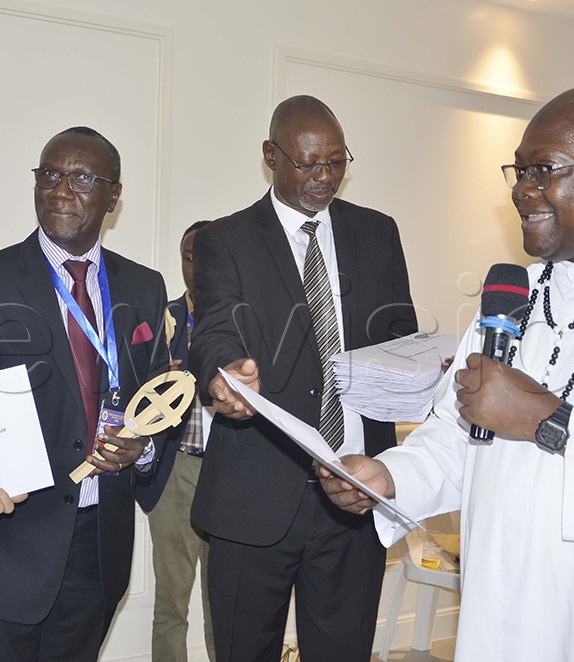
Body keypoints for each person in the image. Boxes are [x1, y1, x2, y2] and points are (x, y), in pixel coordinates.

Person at [320, 86, 574, 661]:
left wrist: (550, 422)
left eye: (545, 169)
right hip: (501, 617)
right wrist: (389, 479)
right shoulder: (516, 295)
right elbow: (457, 432)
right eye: (519, 170)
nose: (522, 189)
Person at [188, 95, 417, 661]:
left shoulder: (377, 233)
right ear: (271, 156)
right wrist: (225, 374)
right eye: (309, 163)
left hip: (355, 490)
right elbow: (214, 327)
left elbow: (400, 335)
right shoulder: (228, 238)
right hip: (255, 496)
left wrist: (421, 369)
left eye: (337, 162)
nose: (325, 178)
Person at [0, 126, 170, 662]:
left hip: (100, 548)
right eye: (49, 175)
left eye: (83, 178)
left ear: (114, 196)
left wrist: (145, 446)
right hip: (7, 549)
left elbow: (157, 397)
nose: (61, 190)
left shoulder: (143, 287)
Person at [136, 220, 216, 661]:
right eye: (189, 256)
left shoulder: (245, 319)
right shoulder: (161, 318)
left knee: (223, 603)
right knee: (171, 604)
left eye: (205, 256)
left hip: (229, 475)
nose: (196, 266)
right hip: (175, 471)